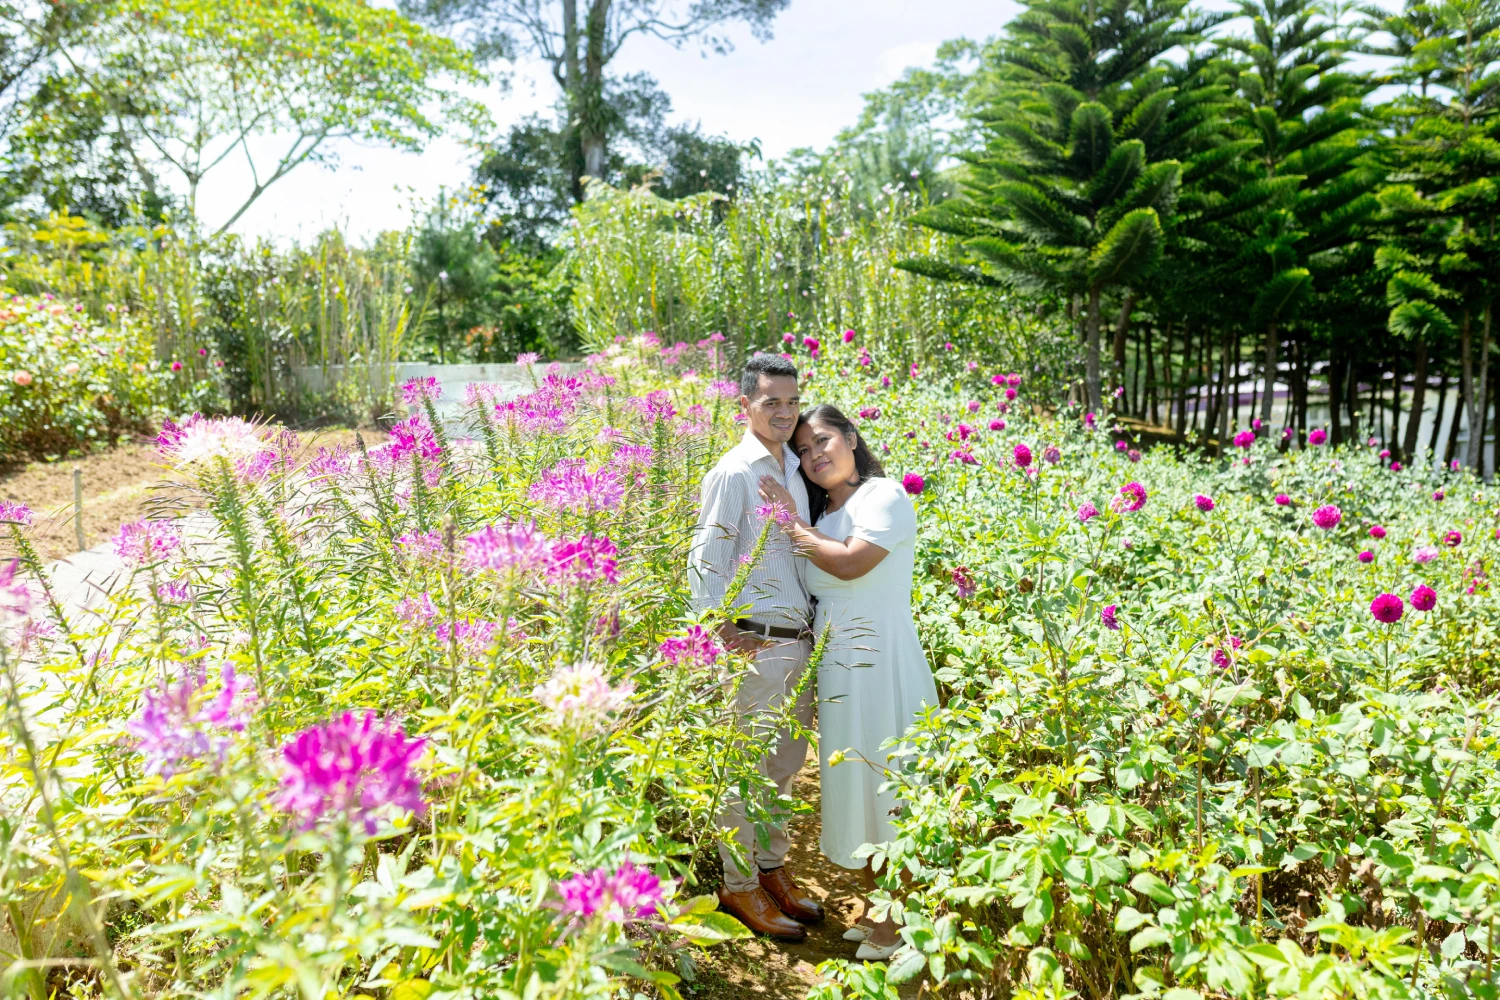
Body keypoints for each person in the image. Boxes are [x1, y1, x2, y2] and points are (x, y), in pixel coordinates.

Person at [757, 404, 937, 962]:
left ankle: (895, 922)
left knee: (889, 785)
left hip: (881, 661)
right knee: (856, 782)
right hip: (837, 666)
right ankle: (876, 907)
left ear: (852, 438)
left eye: (824, 441)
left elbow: (853, 564)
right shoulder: (823, 514)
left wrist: (791, 524)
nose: (815, 456)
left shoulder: (882, 495)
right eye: (804, 451)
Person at [688, 353, 825, 942]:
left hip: (798, 645)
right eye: (771, 402)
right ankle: (738, 885)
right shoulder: (734, 473)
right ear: (744, 405)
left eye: (792, 402)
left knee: (784, 769)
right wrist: (719, 631)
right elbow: (704, 561)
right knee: (742, 772)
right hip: (753, 643)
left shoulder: (797, 468)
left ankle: (772, 870)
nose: (784, 412)